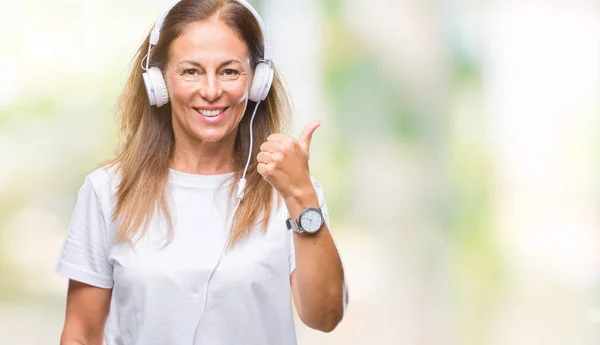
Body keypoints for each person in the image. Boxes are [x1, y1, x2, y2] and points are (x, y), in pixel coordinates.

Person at [54, 0, 348, 344]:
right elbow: (80, 335)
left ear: (258, 81)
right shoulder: (108, 190)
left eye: (229, 71)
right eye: (191, 71)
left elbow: (325, 317)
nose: (211, 91)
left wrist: (301, 196)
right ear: (158, 81)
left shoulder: (292, 191)